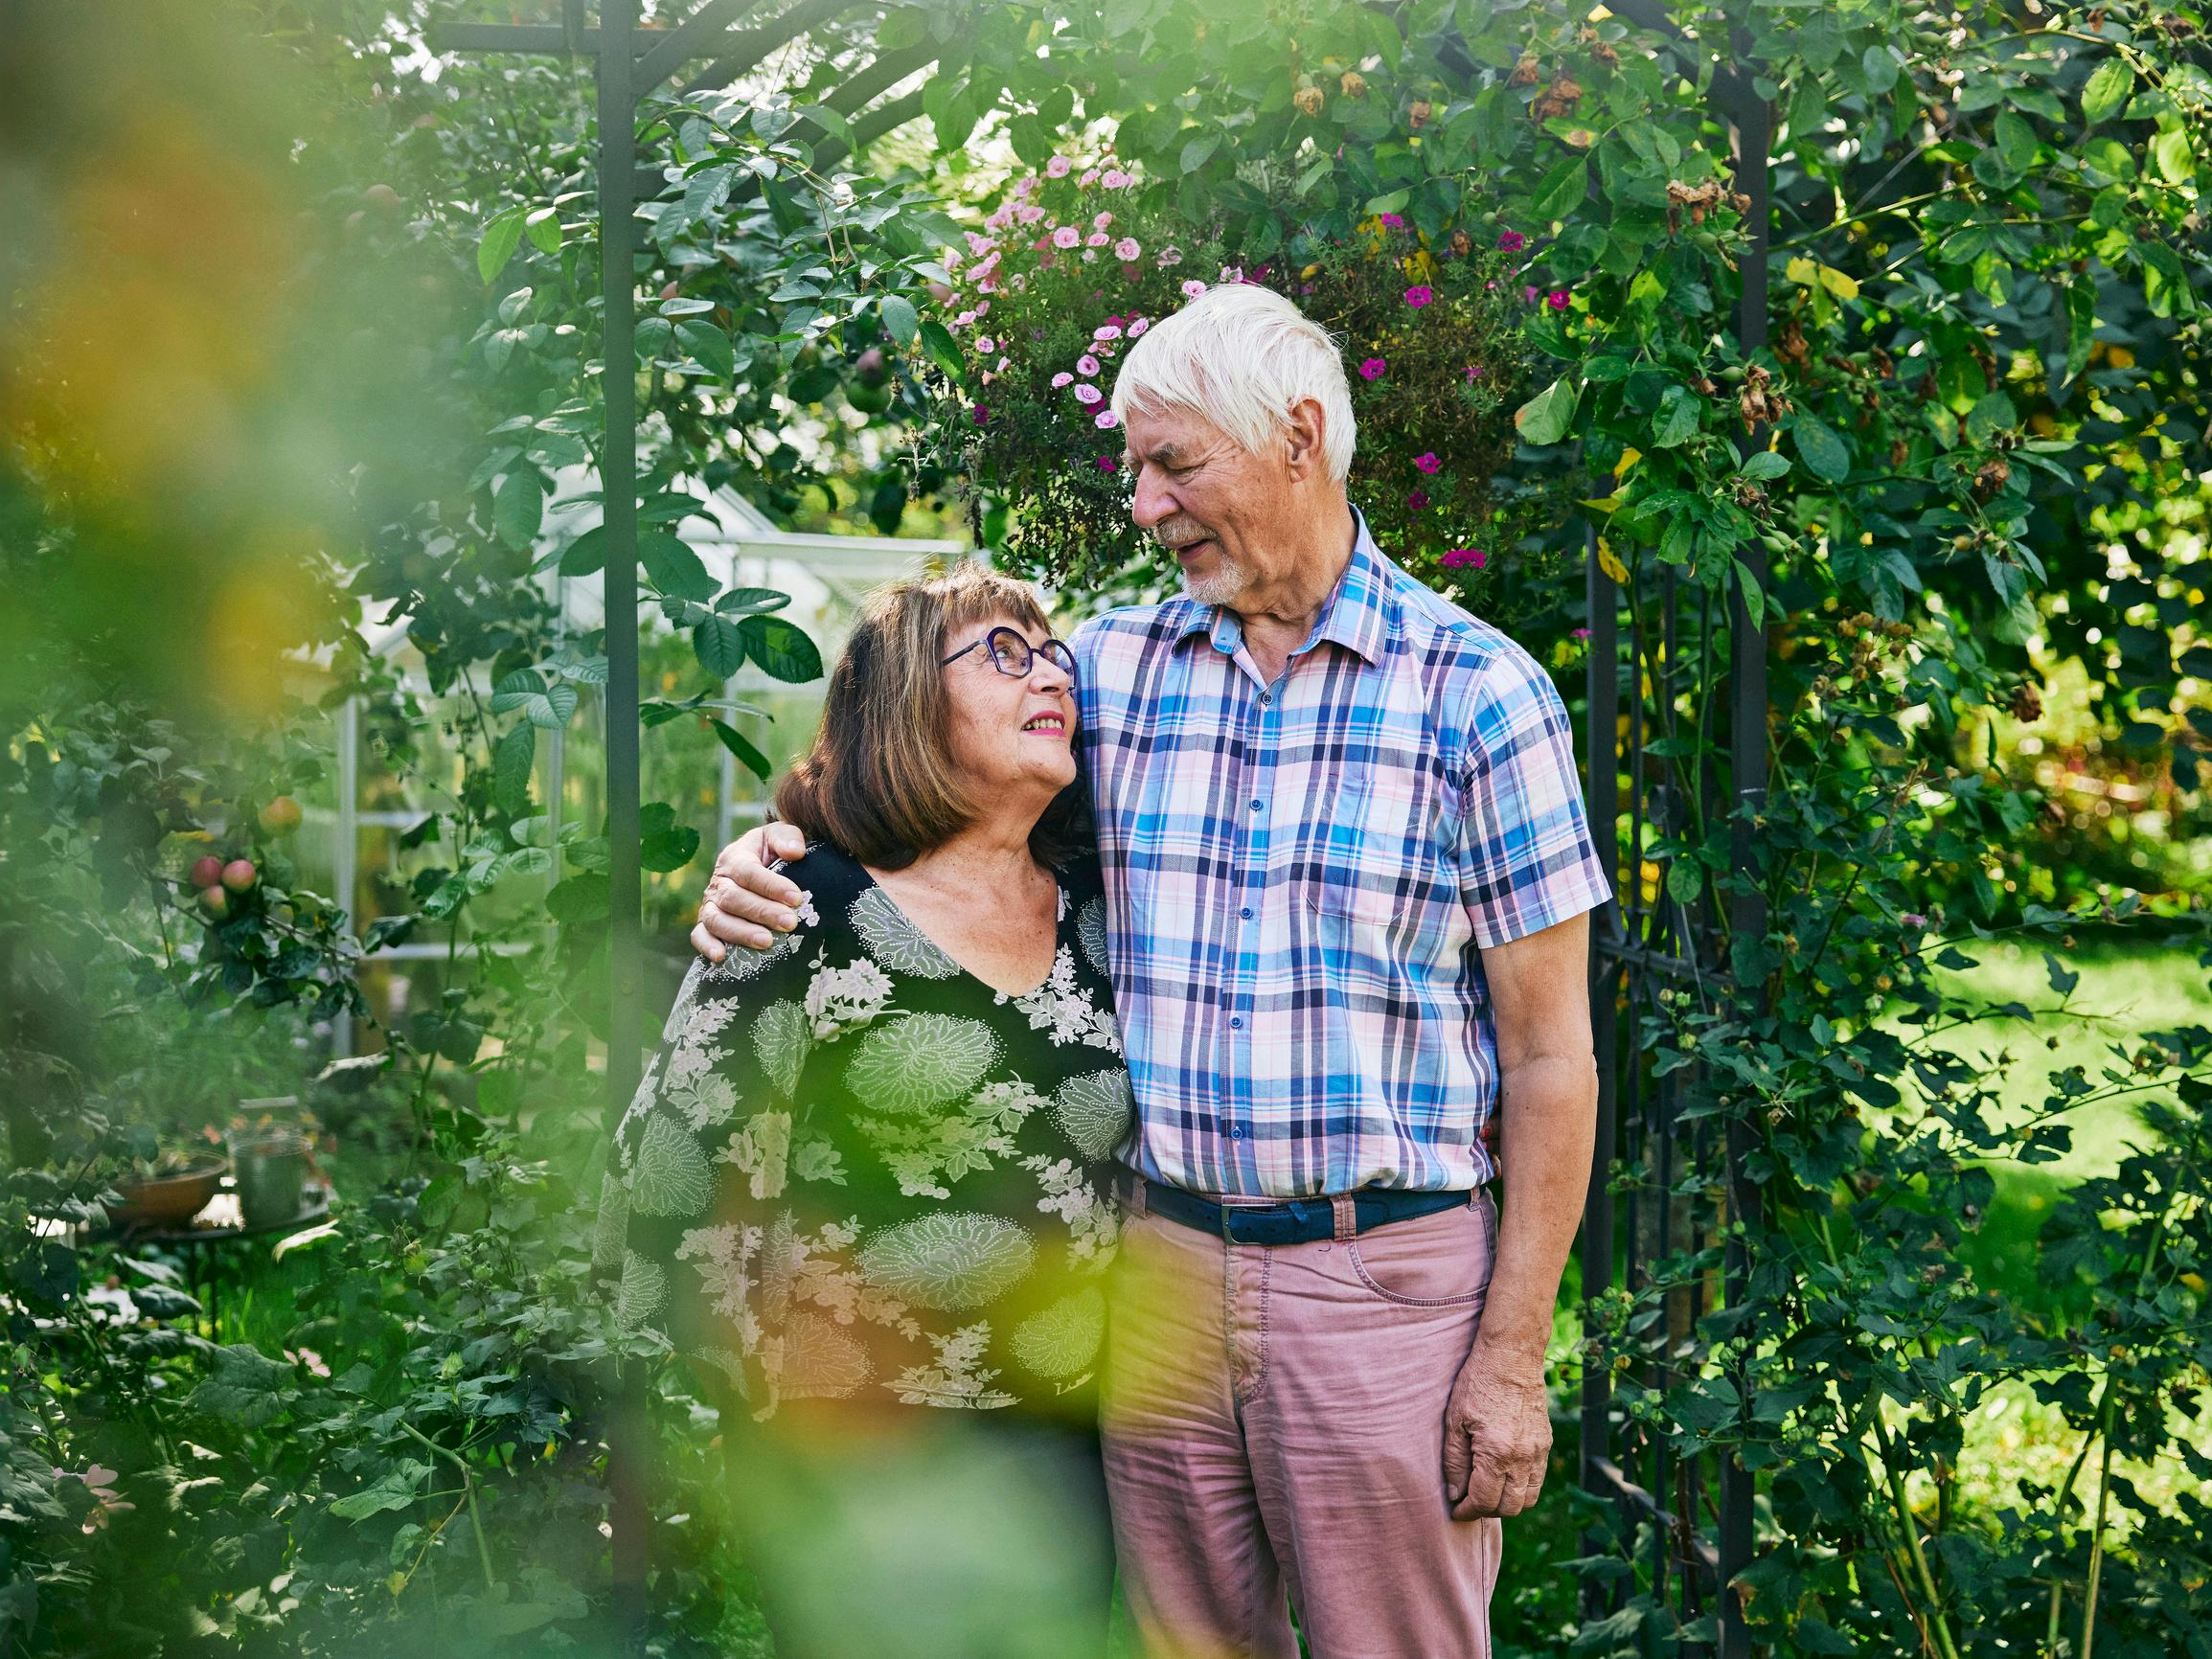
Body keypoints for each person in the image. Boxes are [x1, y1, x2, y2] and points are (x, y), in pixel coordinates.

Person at [689, 284, 1613, 1658]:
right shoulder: (1115, 671)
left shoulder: (1479, 696)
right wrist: (772, 845)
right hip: (1159, 1274)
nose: (1142, 501)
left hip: (1381, 1285)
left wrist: (1511, 1356)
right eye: (1135, 466)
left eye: (1175, 462)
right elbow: (935, 781)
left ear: (1298, 438)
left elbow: (1551, 1059)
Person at [599, 566, 1128, 1659]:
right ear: (902, 705)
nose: (1049, 674)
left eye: (1052, 651)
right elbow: (669, 1179)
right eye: (1001, 650)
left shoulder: (1103, 911)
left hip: (1068, 1451)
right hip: (857, 1457)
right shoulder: (804, 910)